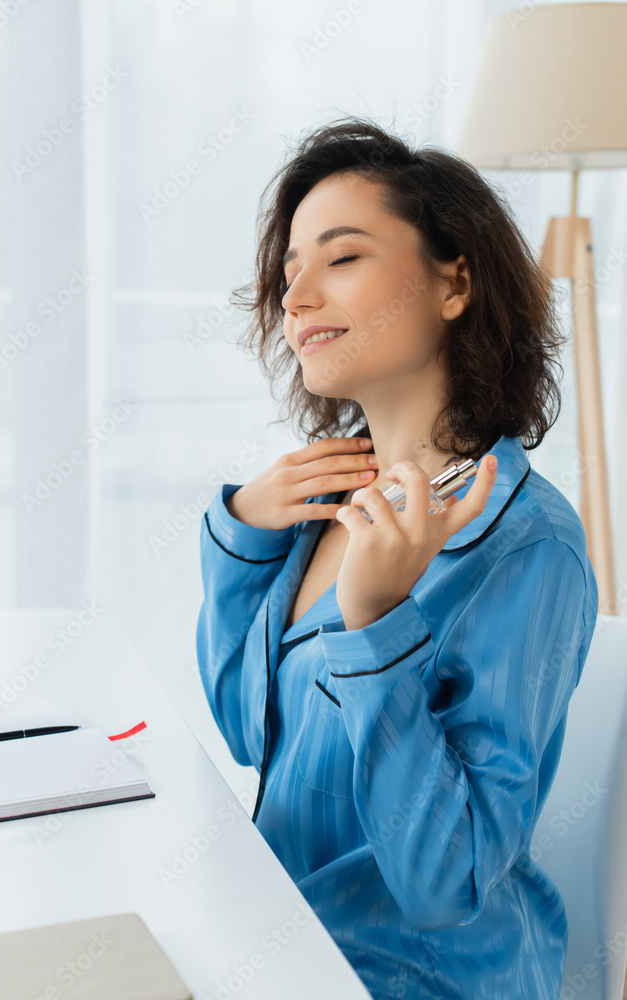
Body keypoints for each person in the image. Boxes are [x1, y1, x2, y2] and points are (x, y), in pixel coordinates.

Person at [195, 116, 599, 1000]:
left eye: (340, 259)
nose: (295, 297)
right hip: (277, 945)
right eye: (290, 269)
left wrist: (376, 626)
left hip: (411, 977)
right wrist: (246, 537)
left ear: (453, 282)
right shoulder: (328, 500)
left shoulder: (525, 547)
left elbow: (442, 884)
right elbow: (244, 728)